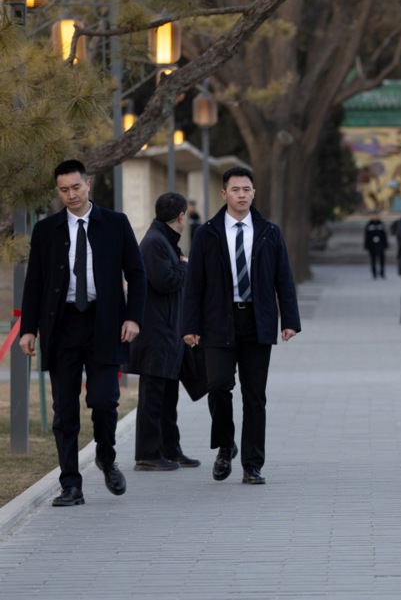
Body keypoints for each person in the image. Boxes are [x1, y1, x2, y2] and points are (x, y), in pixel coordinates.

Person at [19, 159, 146, 507]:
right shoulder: (47, 230)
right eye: (63, 190)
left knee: (104, 401)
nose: (71, 195)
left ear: (88, 184)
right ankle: (71, 484)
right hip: (61, 328)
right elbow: (35, 284)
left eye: (76, 187)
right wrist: (28, 329)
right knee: (65, 412)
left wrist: (133, 318)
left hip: (104, 325)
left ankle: (106, 455)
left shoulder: (115, 224)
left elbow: (137, 274)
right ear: (57, 191)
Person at [182, 166, 301, 486]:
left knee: (254, 395)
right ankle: (225, 446)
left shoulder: (269, 232)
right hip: (218, 321)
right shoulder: (208, 232)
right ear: (224, 194)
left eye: (247, 189)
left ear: (254, 193)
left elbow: (283, 279)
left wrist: (289, 320)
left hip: (257, 321)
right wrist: (189, 325)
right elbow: (194, 283)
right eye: (235, 190)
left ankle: (252, 464)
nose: (241, 195)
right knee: (218, 385)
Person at [129, 192, 201, 472]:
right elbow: (166, 281)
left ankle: (170, 448)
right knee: (153, 397)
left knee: (168, 396)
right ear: (181, 216)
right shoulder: (155, 243)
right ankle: (147, 453)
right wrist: (185, 268)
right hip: (156, 334)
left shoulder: (165, 241)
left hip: (169, 331)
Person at [363, 214, 389, 279]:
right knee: (373, 259)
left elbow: (384, 235)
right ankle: (374, 273)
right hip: (372, 245)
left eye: (376, 216)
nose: (375, 217)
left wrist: (386, 244)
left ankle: (382, 272)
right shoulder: (369, 225)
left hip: (380, 245)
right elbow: (366, 236)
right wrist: (366, 245)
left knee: (382, 259)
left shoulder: (381, 224)